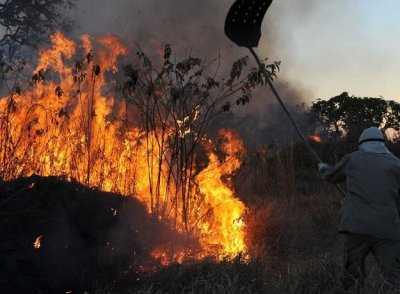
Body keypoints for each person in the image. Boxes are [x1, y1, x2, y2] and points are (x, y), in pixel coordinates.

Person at [318, 127, 400, 291]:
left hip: (356, 227)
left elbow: (331, 176)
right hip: (387, 229)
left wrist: (323, 168)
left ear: (361, 143)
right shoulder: (397, 163)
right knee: (394, 277)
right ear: (382, 143)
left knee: (352, 275)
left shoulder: (353, 159)